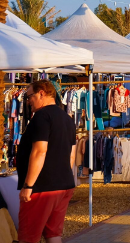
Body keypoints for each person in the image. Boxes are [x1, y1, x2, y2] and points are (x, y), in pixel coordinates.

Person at [17, 80, 76, 243]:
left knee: (28, 236)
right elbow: (72, 154)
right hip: (64, 185)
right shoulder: (67, 118)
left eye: (29, 96)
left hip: (42, 188)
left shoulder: (42, 116)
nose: (28, 101)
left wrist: (28, 186)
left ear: (42, 93)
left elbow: (39, 151)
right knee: (53, 234)